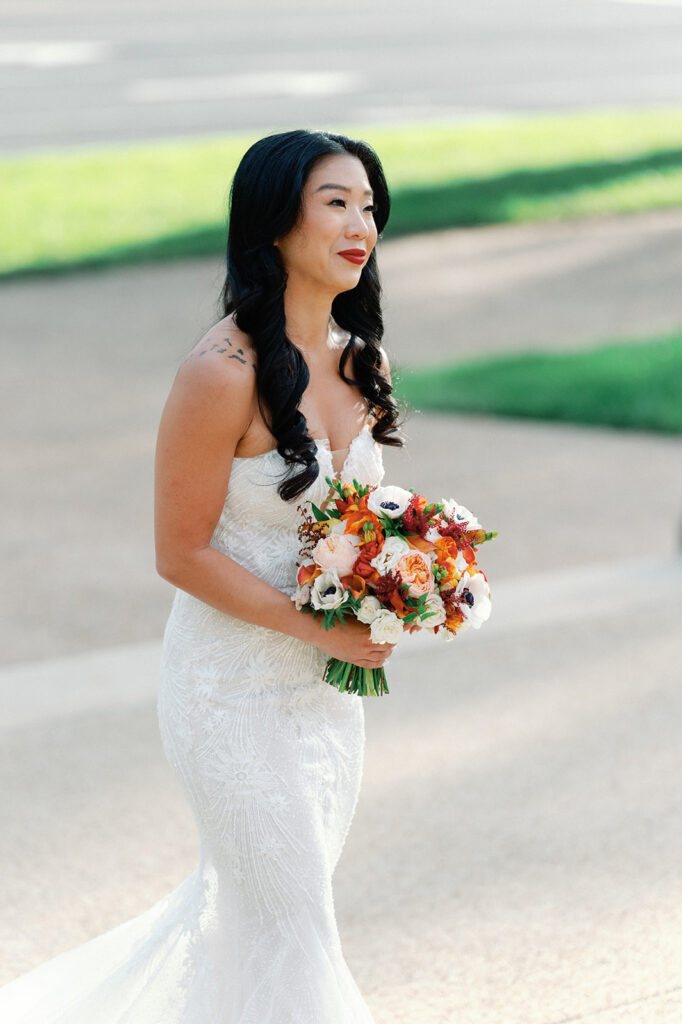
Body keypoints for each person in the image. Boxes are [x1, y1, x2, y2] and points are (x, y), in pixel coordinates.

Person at [0, 128, 404, 1022]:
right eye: (335, 202)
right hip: (231, 698)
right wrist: (319, 626)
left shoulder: (358, 360)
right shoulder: (219, 374)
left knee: (263, 920)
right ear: (272, 222)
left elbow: (360, 520)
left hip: (327, 699)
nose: (360, 224)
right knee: (296, 920)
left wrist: (406, 576)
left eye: (369, 205)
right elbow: (179, 552)